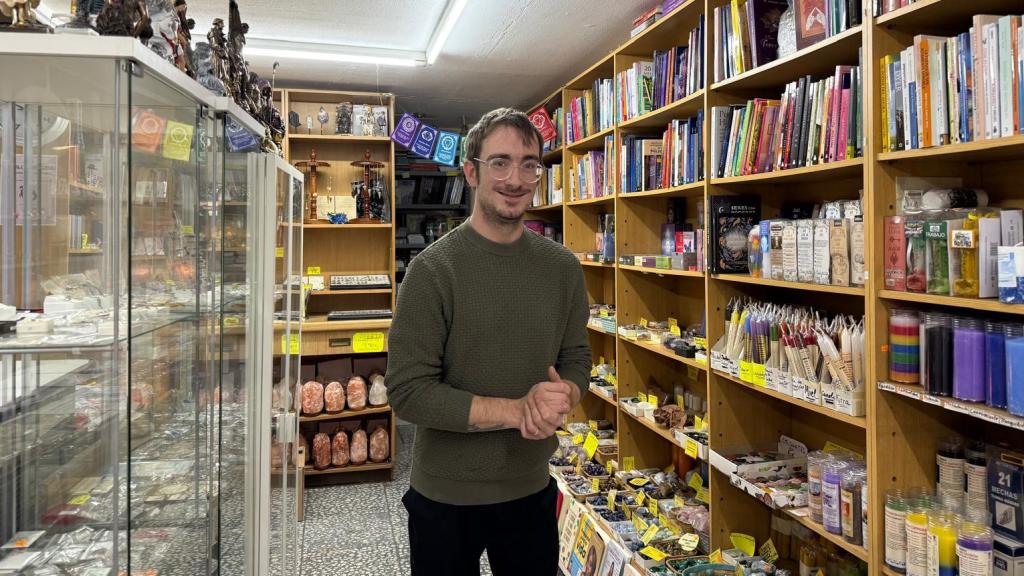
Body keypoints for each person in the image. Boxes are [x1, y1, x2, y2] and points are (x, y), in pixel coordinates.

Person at [386, 107, 592, 576]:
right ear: (471, 171)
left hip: (532, 490)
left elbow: (577, 357)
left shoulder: (563, 269)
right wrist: (517, 410)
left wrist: (565, 395)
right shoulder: (432, 271)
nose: (515, 178)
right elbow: (408, 391)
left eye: (529, 164)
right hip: (444, 497)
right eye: (499, 162)